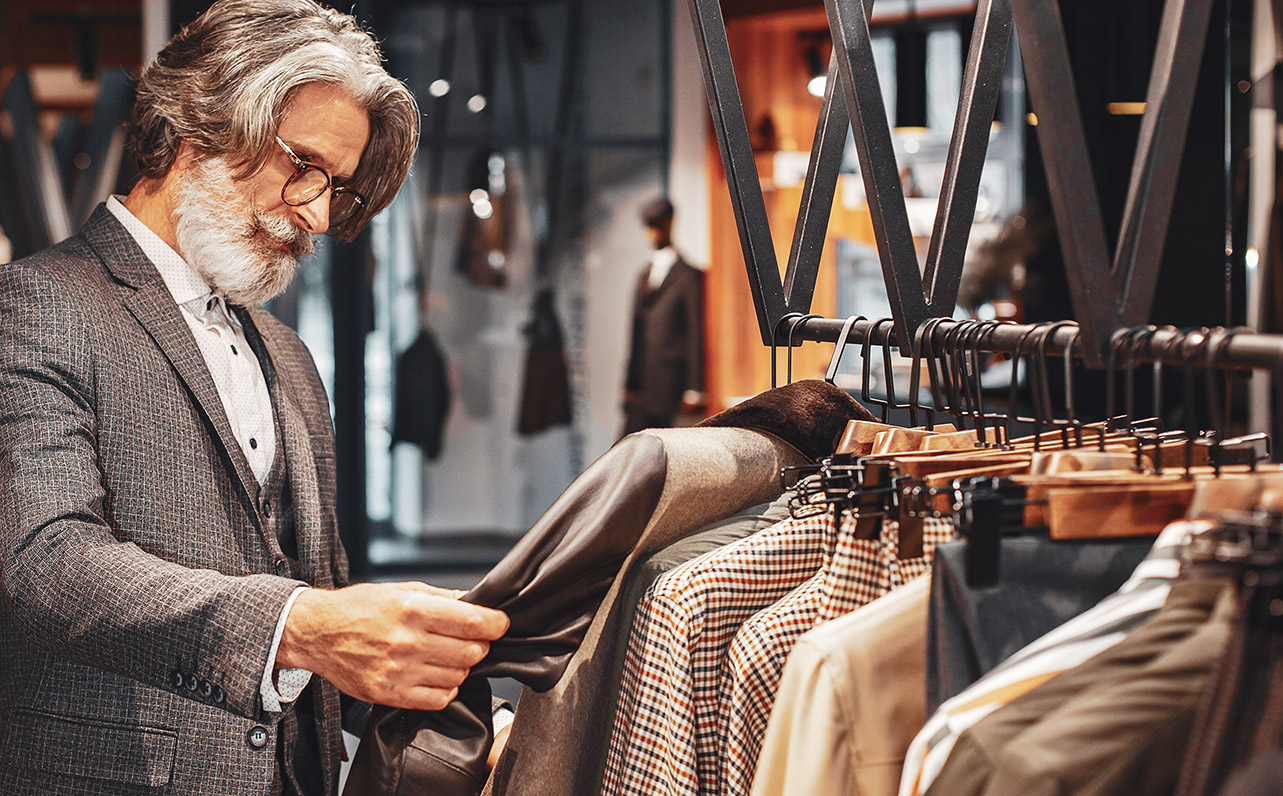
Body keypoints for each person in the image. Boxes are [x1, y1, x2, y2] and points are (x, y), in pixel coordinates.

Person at [0, 2, 509, 794]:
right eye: (301, 164)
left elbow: (323, 606)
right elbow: (43, 562)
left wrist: (459, 710)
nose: (313, 213)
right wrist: (295, 625)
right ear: (200, 122)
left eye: (334, 189)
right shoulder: (34, 305)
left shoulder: (287, 356)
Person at [622, 198, 706, 435]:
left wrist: (694, 388)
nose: (653, 232)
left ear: (670, 224)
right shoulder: (644, 275)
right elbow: (635, 332)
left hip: (672, 385)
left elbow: (694, 333)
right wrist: (629, 384)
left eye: (658, 225)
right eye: (649, 226)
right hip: (643, 388)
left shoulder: (688, 277)